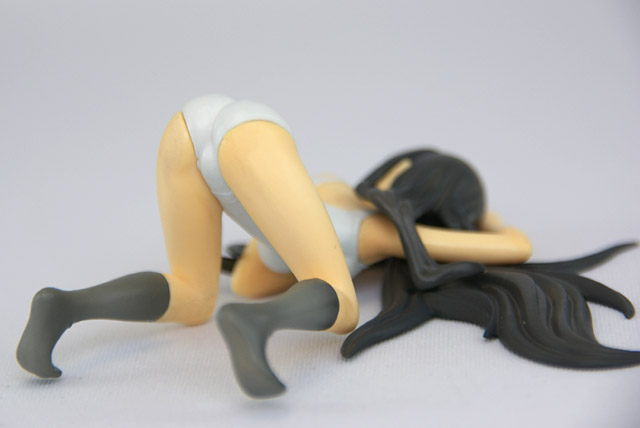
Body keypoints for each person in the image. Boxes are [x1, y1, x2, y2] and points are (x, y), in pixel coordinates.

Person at [16, 94, 530, 399]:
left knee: (194, 295)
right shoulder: (381, 229)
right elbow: (517, 248)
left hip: (188, 127)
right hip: (249, 138)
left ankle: (66, 306)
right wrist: (484, 219)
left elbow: (249, 278)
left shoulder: (329, 193)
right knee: (344, 303)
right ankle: (256, 325)